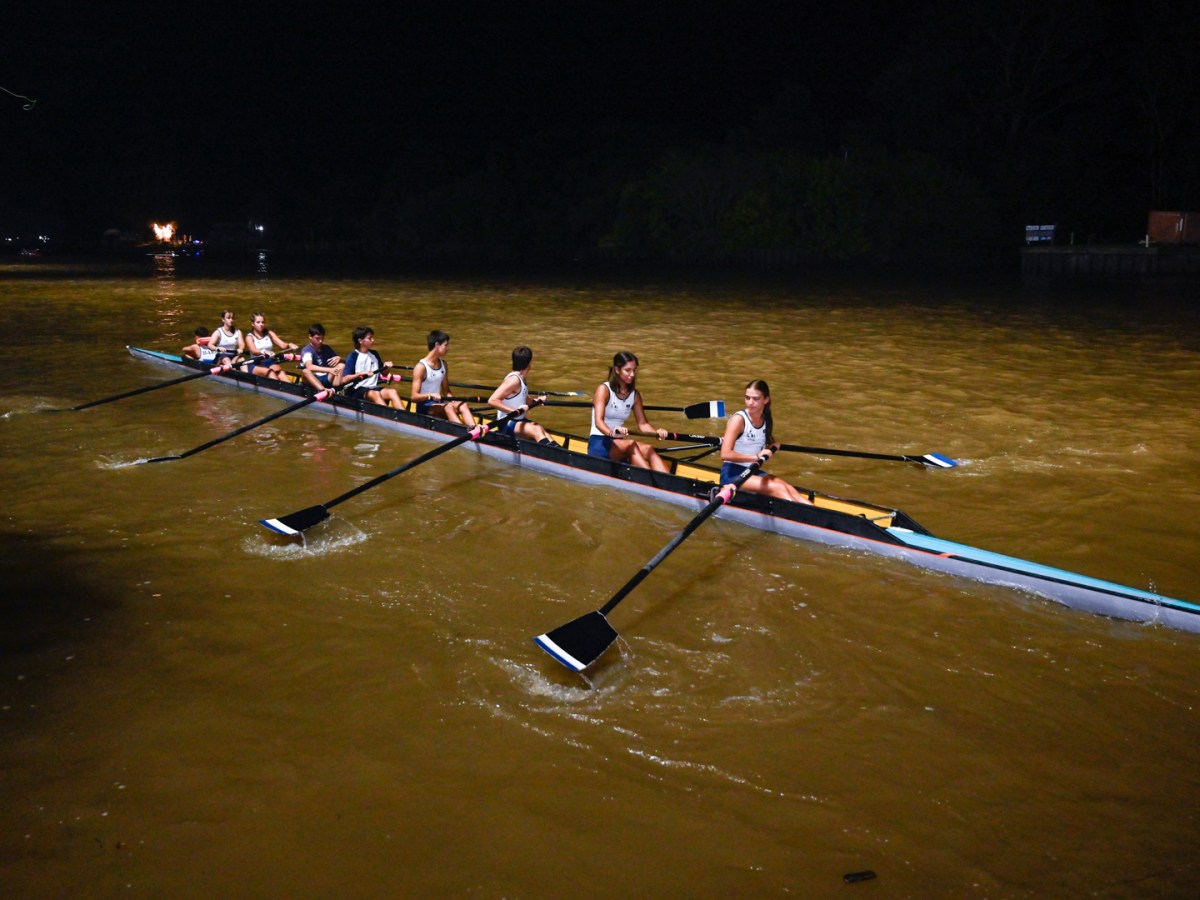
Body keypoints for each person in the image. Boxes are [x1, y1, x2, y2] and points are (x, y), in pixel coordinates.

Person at [719, 379, 812, 504]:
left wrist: (773, 445)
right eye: (747, 398)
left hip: (752, 470)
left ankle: (821, 516)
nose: (750, 403)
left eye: (756, 399)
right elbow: (725, 454)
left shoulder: (766, 419)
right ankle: (805, 516)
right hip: (732, 475)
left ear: (766, 400)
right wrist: (756, 457)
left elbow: (762, 441)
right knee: (778, 489)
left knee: (788, 488)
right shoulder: (738, 420)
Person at [588, 351, 669, 472]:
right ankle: (652, 482)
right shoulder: (603, 390)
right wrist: (612, 433)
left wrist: (657, 433)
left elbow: (643, 424)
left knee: (649, 449)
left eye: (634, 370)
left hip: (618, 443)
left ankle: (669, 482)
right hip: (600, 442)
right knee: (631, 445)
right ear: (617, 370)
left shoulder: (634, 395)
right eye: (627, 370)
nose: (632, 374)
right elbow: (599, 421)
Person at [487, 345, 553, 444]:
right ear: (529, 364)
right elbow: (492, 400)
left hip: (517, 421)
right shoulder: (514, 380)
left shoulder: (521, 379)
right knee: (536, 430)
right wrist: (515, 411)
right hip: (506, 423)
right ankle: (553, 456)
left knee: (544, 431)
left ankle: (562, 454)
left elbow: (524, 400)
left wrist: (537, 401)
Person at [410, 329, 476, 427]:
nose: (448, 348)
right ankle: (463, 432)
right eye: (446, 345)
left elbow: (446, 391)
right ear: (437, 345)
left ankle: (475, 430)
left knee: (463, 404)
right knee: (449, 408)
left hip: (439, 404)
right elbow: (414, 397)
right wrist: (430, 395)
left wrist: (453, 400)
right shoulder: (421, 367)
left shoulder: (443, 364)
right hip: (424, 407)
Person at [341, 326, 405, 407]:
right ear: (360, 341)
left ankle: (405, 417)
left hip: (373, 387)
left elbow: (384, 374)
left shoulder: (374, 354)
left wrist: (386, 367)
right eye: (369, 338)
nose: (373, 340)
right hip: (357, 390)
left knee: (393, 392)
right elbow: (344, 379)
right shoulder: (353, 357)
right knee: (375, 394)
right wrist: (360, 374)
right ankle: (388, 416)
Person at [242, 312, 298, 380]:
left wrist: (289, 344)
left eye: (262, 322)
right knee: (270, 372)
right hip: (256, 363)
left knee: (279, 371)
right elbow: (253, 351)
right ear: (253, 324)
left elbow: (282, 345)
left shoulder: (269, 333)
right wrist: (264, 351)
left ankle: (290, 387)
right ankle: (277, 387)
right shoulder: (249, 337)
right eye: (258, 322)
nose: (261, 324)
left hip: (269, 362)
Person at [298, 323, 344, 392]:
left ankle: (336, 391)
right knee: (305, 371)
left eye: (322, 338)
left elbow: (345, 363)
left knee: (341, 365)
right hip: (313, 380)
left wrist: (340, 359)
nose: (320, 341)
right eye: (317, 338)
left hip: (326, 378)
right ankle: (322, 390)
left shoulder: (326, 348)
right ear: (310, 336)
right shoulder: (307, 351)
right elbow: (309, 367)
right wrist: (329, 370)